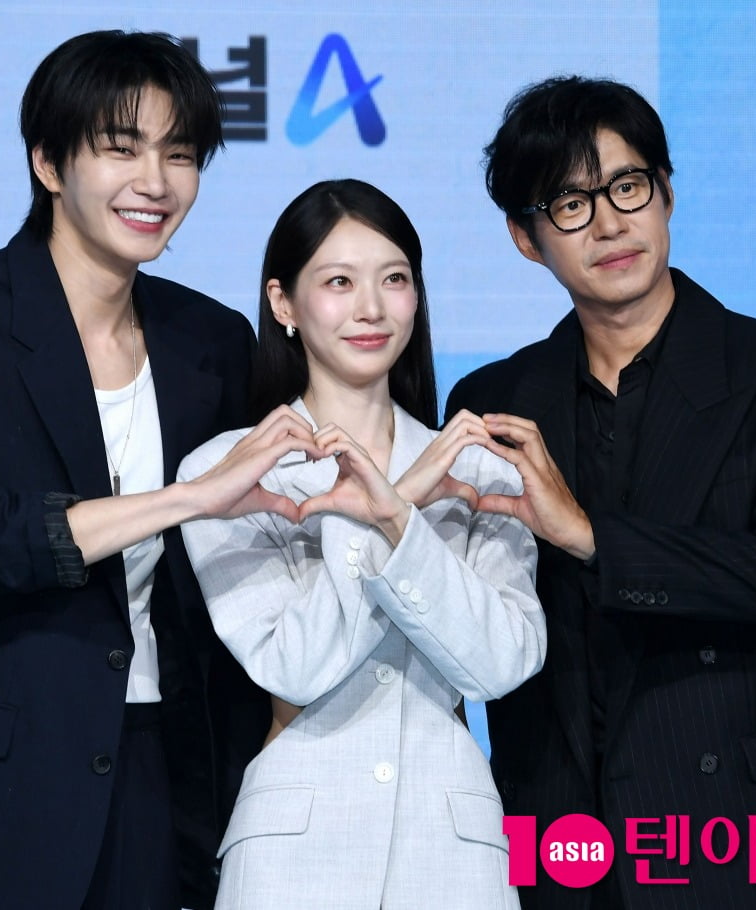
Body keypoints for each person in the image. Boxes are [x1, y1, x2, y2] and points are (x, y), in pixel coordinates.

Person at [0, 30, 314, 910]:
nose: (155, 182)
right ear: (49, 162)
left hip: (156, 776)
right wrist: (182, 499)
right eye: (121, 149)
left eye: (179, 155)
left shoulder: (210, 342)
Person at [446, 75, 756, 909]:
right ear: (526, 237)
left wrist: (590, 536)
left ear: (666, 191)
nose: (609, 224)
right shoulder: (494, 403)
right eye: (570, 204)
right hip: (569, 844)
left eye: (627, 187)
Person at [176, 179, 546, 909]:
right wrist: (393, 507)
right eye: (339, 282)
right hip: (291, 857)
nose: (371, 308)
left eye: (394, 279)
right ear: (283, 303)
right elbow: (293, 666)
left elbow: (503, 663)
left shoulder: (478, 466)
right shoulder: (226, 471)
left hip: (453, 857)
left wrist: (398, 519)